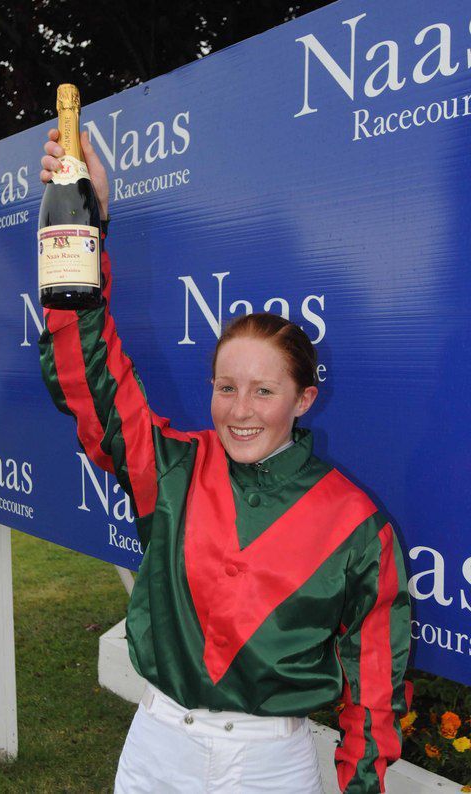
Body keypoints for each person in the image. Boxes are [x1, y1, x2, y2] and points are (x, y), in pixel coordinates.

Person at [39, 129, 413, 794]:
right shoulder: (171, 468)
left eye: (265, 390)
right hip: (156, 748)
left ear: (304, 398)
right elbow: (89, 375)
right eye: (226, 386)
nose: (241, 409)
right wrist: (86, 222)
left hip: (272, 766)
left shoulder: (358, 527)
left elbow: (374, 689)